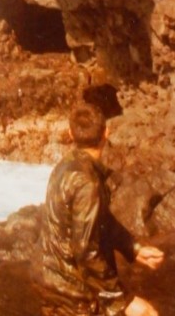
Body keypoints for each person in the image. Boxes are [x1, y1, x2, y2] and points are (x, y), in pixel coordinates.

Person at [41, 102, 164, 316]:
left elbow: (100, 219)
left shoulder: (63, 166)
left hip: (53, 283)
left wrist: (133, 249)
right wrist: (125, 300)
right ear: (107, 132)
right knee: (147, 313)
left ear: (70, 134)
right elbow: (86, 251)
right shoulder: (87, 183)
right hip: (75, 294)